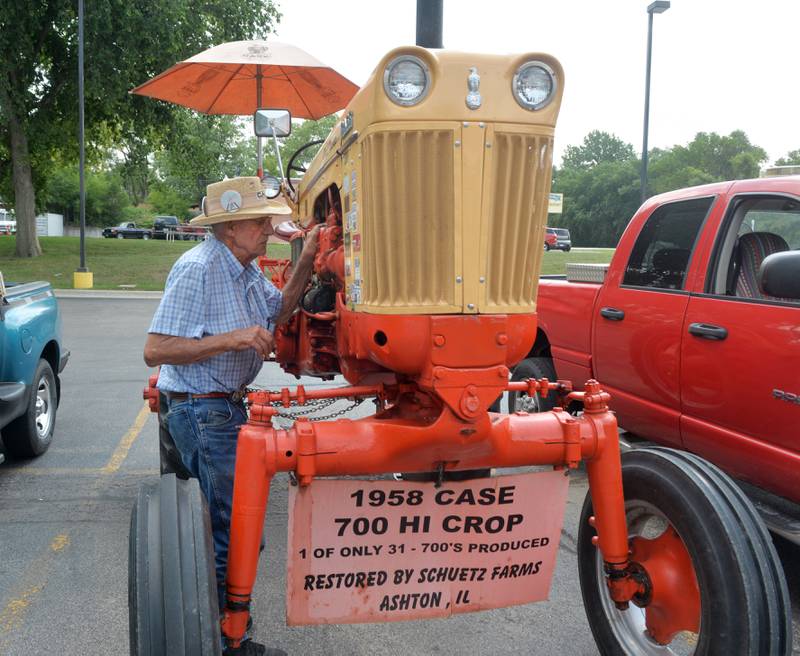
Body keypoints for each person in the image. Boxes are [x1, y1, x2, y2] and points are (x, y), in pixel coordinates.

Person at [144, 176, 318, 656]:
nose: (266, 228)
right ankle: (225, 643)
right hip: (202, 409)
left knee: (229, 529)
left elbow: (280, 312)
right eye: (258, 220)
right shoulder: (198, 268)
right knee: (234, 531)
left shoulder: (244, 269)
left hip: (220, 407)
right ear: (228, 227)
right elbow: (155, 350)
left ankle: (222, 636)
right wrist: (234, 339)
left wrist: (306, 260)